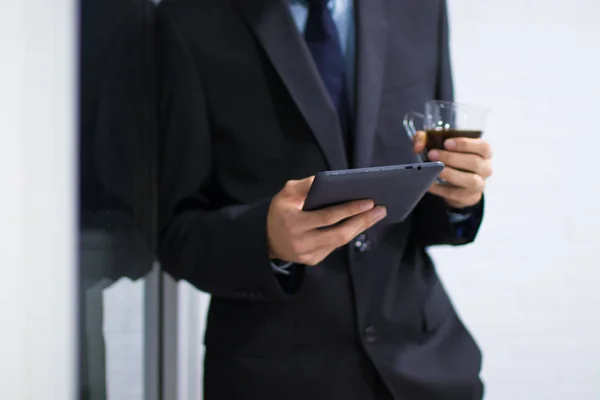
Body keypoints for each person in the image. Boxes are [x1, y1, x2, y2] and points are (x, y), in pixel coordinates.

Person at [156, 0, 493, 399]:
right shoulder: (188, 20)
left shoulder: (421, 7)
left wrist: (461, 197)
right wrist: (265, 240)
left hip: (426, 368)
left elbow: (430, 192)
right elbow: (173, 231)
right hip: (274, 379)